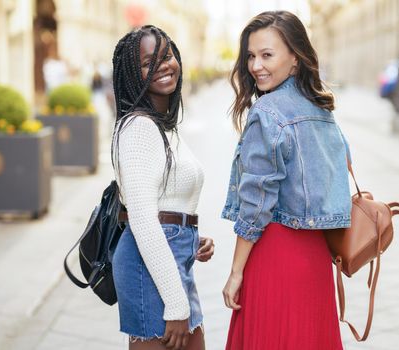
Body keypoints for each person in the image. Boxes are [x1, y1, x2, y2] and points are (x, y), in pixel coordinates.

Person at [221, 11, 351, 349]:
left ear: (295, 58)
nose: (255, 66)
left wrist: (236, 273)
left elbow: (256, 204)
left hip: (274, 255)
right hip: (315, 260)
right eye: (250, 55)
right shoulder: (322, 111)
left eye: (267, 55)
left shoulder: (268, 113)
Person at [110, 25, 214, 350]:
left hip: (170, 259)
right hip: (149, 268)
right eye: (147, 63)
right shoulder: (139, 128)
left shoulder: (163, 125)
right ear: (132, 73)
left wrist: (190, 234)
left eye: (166, 55)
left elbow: (168, 201)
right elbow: (143, 221)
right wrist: (176, 304)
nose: (163, 65)